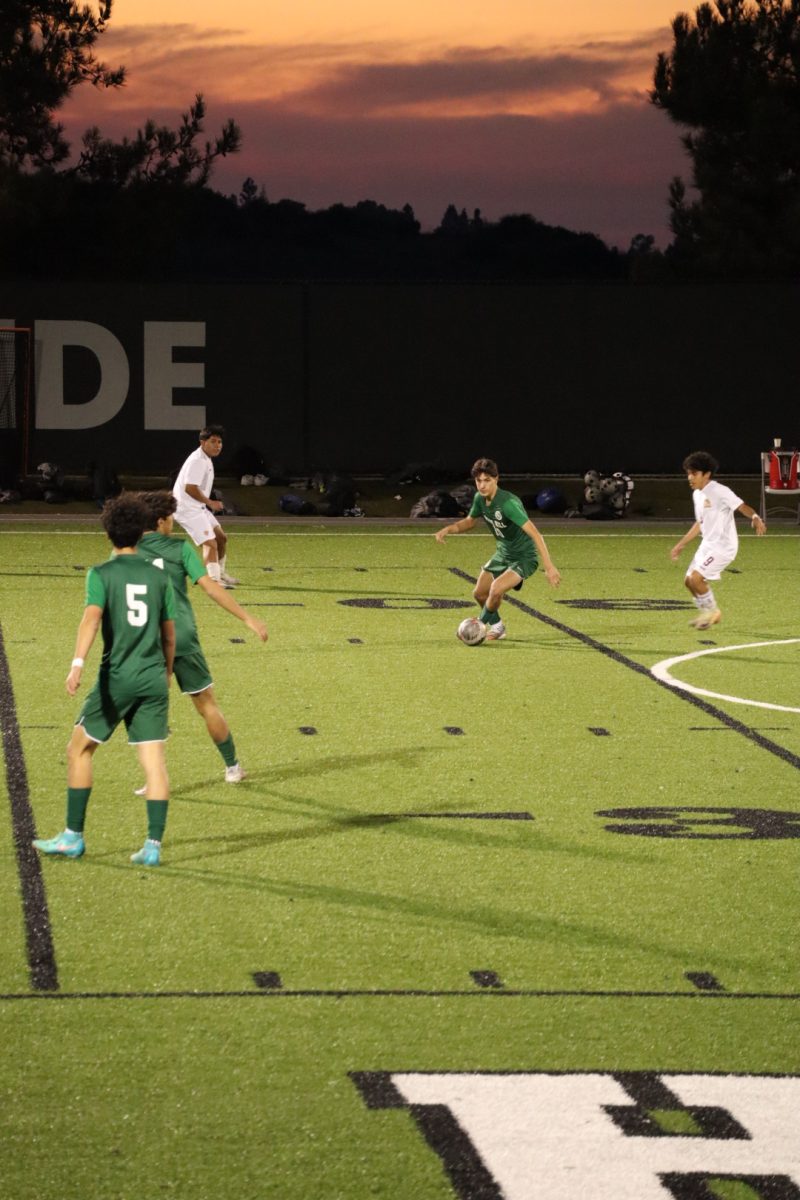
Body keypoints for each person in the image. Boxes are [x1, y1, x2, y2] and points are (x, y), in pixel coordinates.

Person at [33, 494, 176, 868]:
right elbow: (169, 635)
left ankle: (72, 838)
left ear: (108, 534)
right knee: (153, 761)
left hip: (118, 679)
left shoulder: (101, 573)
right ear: (141, 533)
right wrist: (166, 672)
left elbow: (91, 619)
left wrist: (77, 663)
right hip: (152, 679)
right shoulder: (159, 577)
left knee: (78, 749)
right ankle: (152, 846)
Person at [136, 490, 268, 785]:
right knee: (207, 704)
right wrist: (248, 618)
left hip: (145, 641)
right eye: (170, 519)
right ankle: (233, 767)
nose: (174, 524)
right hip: (181, 637)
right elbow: (210, 587)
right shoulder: (178, 549)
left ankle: (153, 779)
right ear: (160, 521)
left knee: (151, 709)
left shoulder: (126, 551)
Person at [435, 457, 561, 639]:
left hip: (524, 557)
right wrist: (449, 529)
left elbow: (536, 535)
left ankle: (477, 626)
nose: (482, 485)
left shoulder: (508, 504)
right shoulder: (479, 498)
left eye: (487, 480)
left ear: (496, 479)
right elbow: (470, 521)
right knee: (479, 594)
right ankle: (498, 627)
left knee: (495, 589)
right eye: (479, 481)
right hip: (503, 554)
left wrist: (549, 567)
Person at [670, 450, 766, 629]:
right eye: (688, 473)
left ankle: (713, 611)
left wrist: (754, 517)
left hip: (723, 547)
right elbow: (700, 523)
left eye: (694, 473)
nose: (690, 477)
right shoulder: (697, 495)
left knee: (697, 579)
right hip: (707, 544)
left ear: (706, 474)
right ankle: (706, 612)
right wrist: (680, 544)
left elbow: (742, 506)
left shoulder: (720, 491)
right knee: (688, 581)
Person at [172, 425, 238, 588]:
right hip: (187, 509)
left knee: (221, 538)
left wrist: (206, 504)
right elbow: (190, 488)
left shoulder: (205, 458)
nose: (218, 445)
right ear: (203, 442)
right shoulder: (197, 461)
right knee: (210, 543)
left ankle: (220, 573)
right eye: (213, 441)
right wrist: (210, 503)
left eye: (220, 442)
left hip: (198, 507)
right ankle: (213, 581)